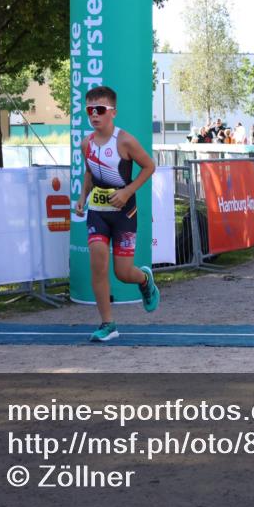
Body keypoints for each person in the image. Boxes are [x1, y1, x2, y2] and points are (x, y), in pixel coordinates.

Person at [74, 85, 161, 342]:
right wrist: (82, 197)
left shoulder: (124, 140)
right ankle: (107, 324)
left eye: (100, 110)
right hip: (98, 212)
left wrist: (127, 191)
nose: (94, 115)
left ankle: (144, 279)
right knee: (98, 261)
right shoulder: (85, 143)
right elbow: (90, 172)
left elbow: (149, 166)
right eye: (90, 110)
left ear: (113, 112)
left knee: (123, 273)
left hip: (124, 211)